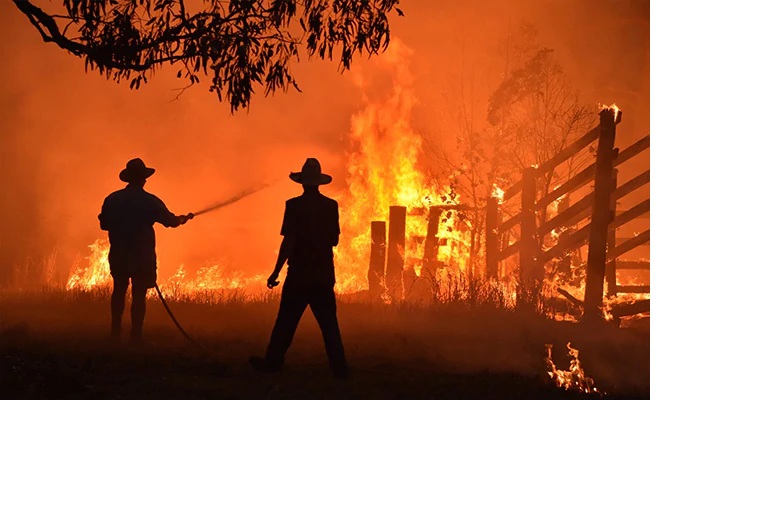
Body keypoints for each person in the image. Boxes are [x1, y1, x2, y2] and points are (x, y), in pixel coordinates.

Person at [251, 157, 349, 378]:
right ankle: (341, 370)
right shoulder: (330, 206)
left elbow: (288, 241)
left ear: (303, 183)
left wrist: (276, 272)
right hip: (323, 275)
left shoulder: (293, 205)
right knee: (329, 325)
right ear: (319, 183)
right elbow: (334, 240)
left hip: (299, 275)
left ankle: (272, 363)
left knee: (285, 322)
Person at [98, 158, 193, 343]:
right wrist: (182, 219)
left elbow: (104, 224)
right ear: (142, 179)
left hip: (119, 253)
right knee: (139, 294)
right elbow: (170, 222)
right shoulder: (149, 201)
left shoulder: (112, 199)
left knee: (118, 290)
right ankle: (136, 335)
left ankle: (115, 333)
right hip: (141, 256)